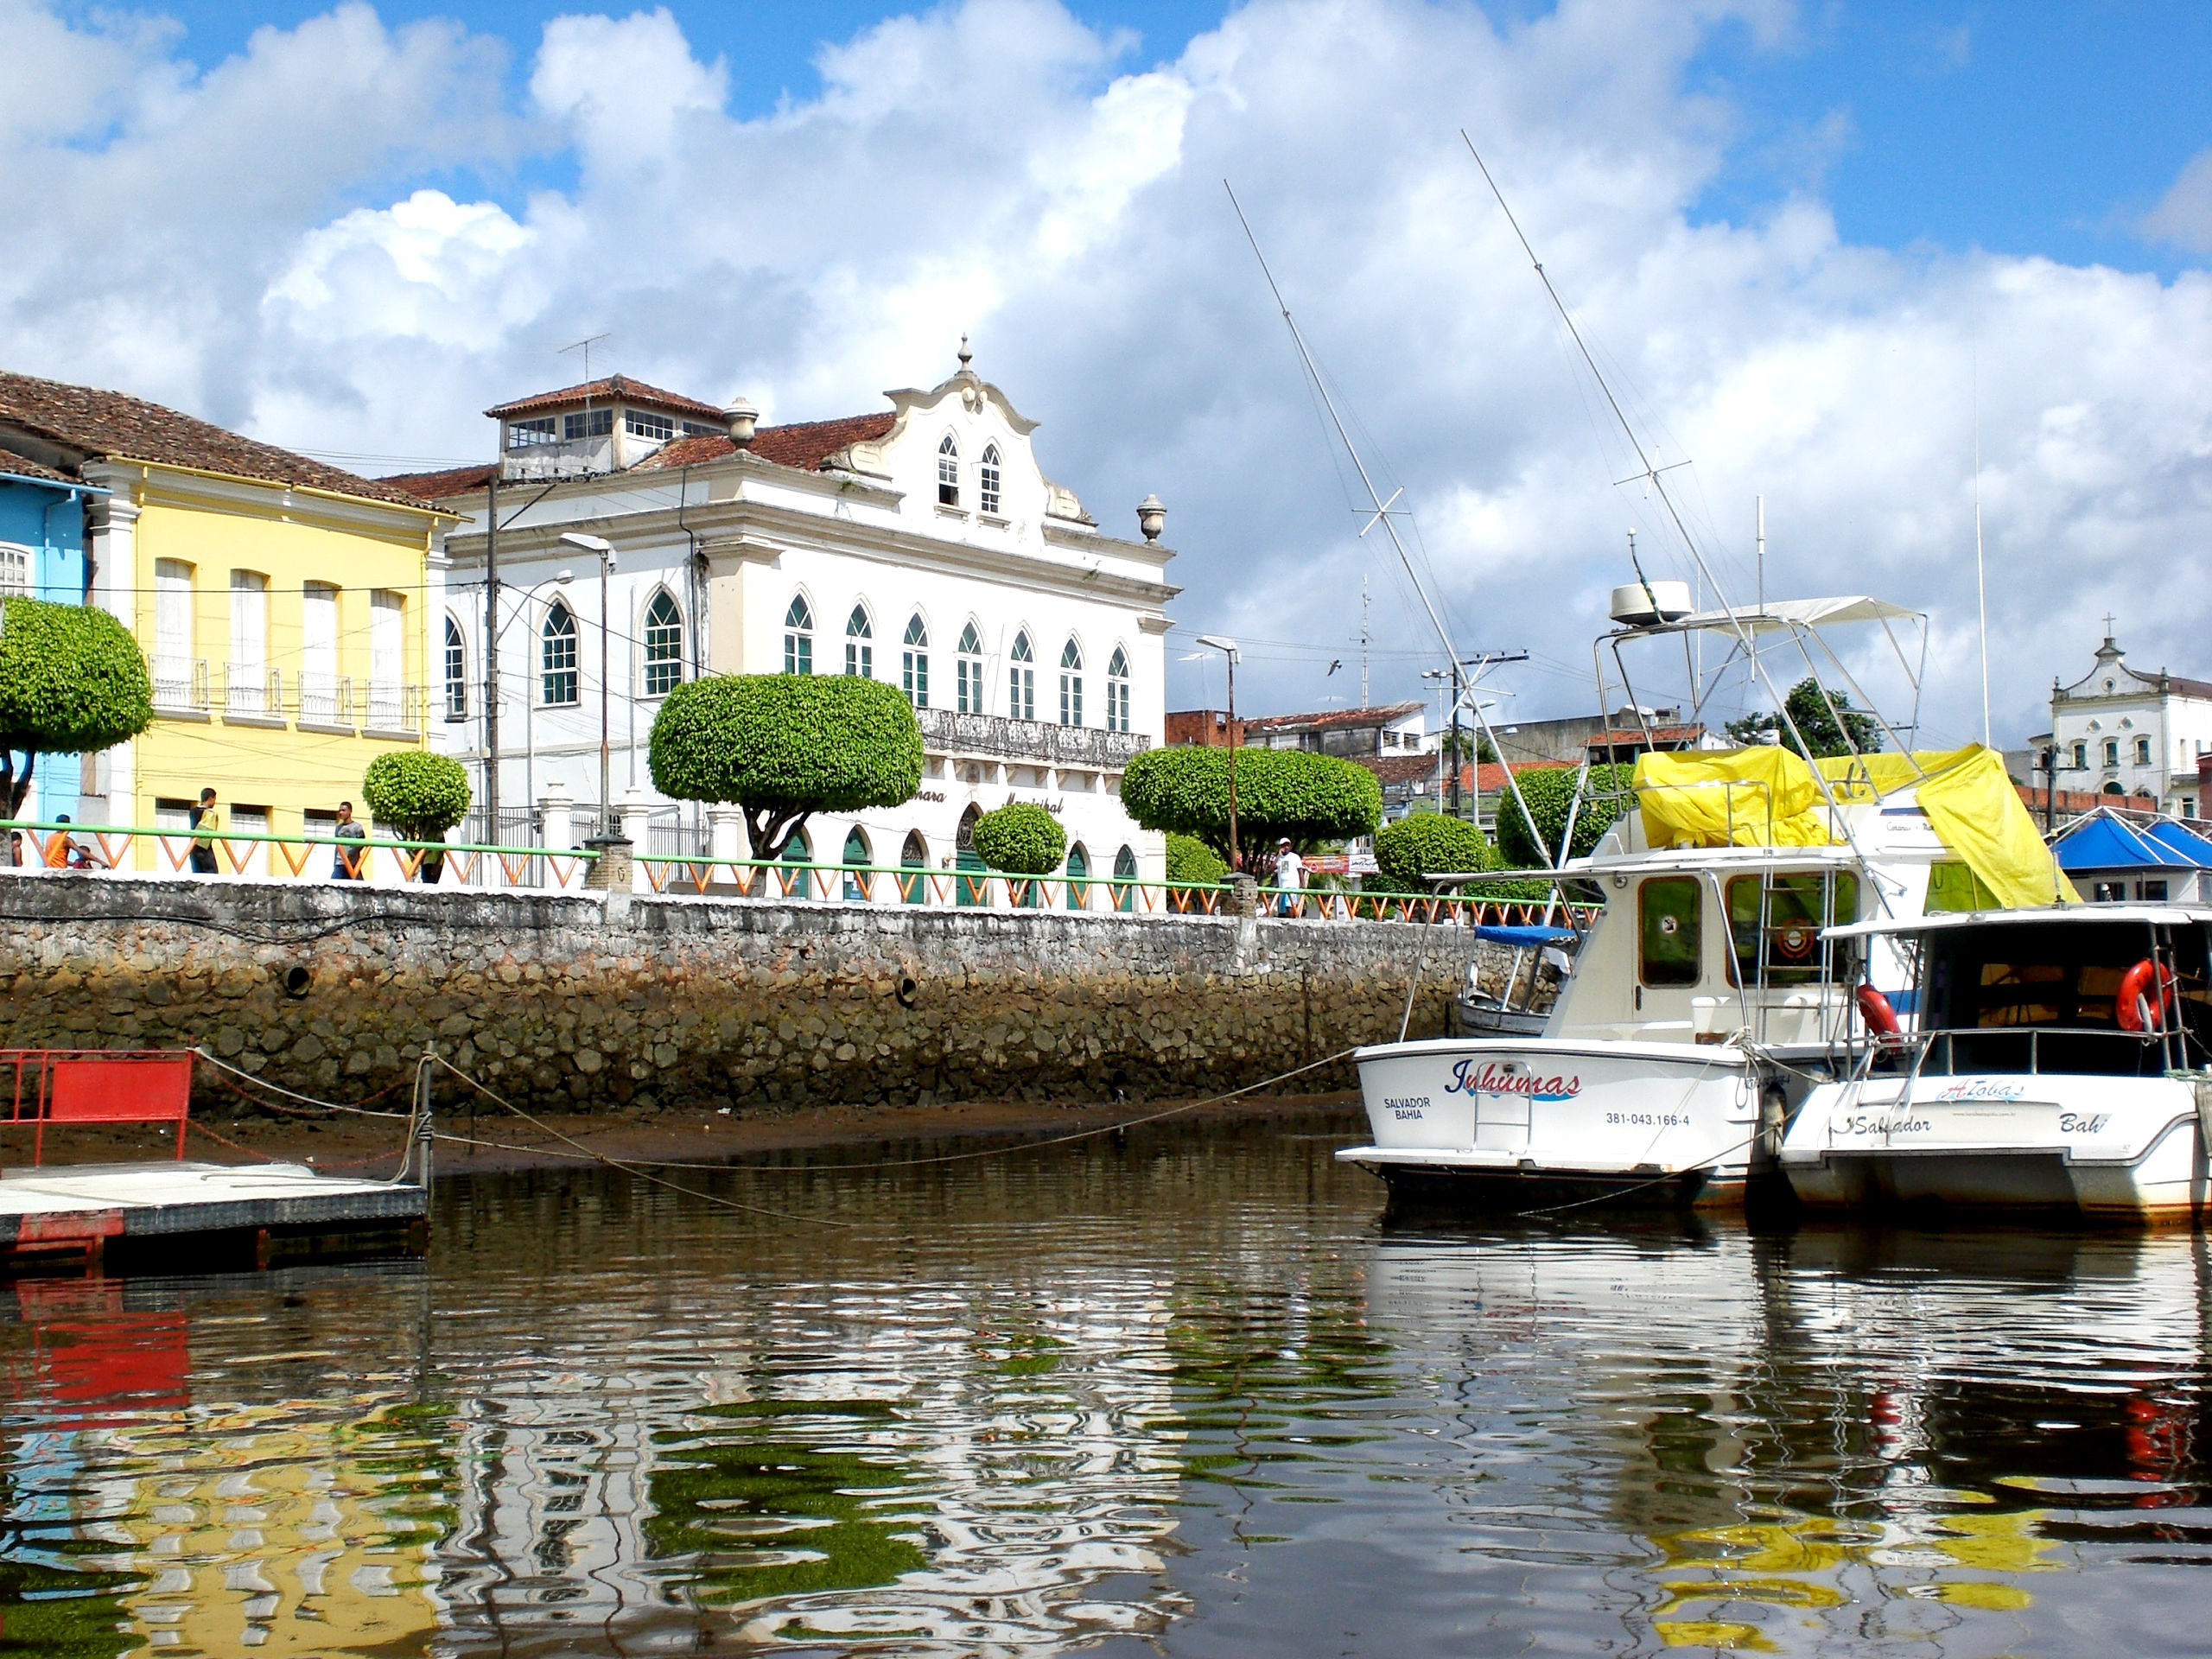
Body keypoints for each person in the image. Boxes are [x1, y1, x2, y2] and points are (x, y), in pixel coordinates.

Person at [331, 800, 367, 880]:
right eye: (340, 810)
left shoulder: (357, 827)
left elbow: (362, 843)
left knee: (359, 888)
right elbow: (337, 847)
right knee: (333, 886)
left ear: (350, 811)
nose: (341, 813)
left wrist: (351, 854)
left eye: (343, 810)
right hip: (339, 863)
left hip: (353, 864)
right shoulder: (338, 828)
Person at [188, 787, 219, 874]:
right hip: (205, 850)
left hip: (193, 848)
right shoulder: (210, 814)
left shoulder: (193, 812)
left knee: (197, 877)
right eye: (214, 800)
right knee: (213, 876)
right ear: (210, 799)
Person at [1274, 836, 1304, 918]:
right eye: (1283, 845)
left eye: (1287, 845)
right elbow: (1272, 868)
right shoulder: (1279, 858)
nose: (1286, 847)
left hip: (1292, 885)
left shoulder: (1295, 857)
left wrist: (1303, 886)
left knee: (1290, 905)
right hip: (1282, 887)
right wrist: (1278, 856)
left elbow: (1300, 871)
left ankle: (1292, 920)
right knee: (1282, 909)